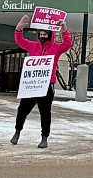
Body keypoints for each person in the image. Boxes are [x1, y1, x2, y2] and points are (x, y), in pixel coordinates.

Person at [10, 15, 72, 148]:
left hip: (47, 85)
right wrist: (19, 29)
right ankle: (17, 132)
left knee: (45, 113)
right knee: (22, 110)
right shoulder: (32, 46)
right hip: (31, 84)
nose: (42, 36)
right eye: (41, 34)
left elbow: (67, 44)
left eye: (45, 34)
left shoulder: (56, 48)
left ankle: (44, 137)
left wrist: (64, 29)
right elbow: (20, 41)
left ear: (50, 35)